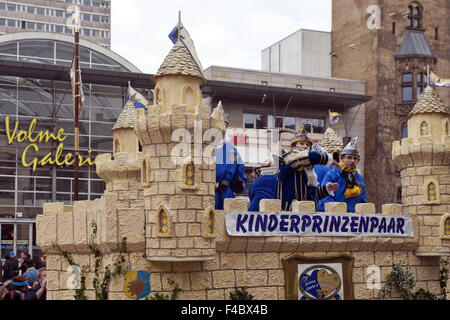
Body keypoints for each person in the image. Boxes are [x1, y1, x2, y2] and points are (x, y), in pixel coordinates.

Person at [277, 125, 339, 211]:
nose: (305, 146)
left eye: (308, 145)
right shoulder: (288, 158)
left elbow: (311, 195)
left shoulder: (309, 168)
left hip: (307, 213)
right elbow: (309, 156)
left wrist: (325, 190)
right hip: (290, 211)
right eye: (301, 144)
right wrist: (328, 159)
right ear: (293, 147)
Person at [319, 137, 367, 213]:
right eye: (349, 157)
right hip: (334, 216)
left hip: (353, 218)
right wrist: (337, 210)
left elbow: (362, 200)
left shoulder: (359, 179)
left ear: (358, 160)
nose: (352, 161)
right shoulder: (332, 174)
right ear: (342, 158)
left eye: (355, 158)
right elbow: (325, 196)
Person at [214, 103, 247, 210]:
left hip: (226, 195)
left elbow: (240, 173)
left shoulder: (232, 151)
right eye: (215, 124)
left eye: (223, 125)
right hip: (207, 194)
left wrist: (238, 182)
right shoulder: (202, 148)